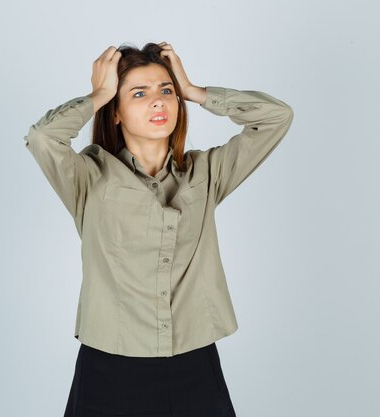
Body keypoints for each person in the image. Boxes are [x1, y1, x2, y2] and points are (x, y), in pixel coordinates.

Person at [23, 42, 294, 417]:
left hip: (194, 362)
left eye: (166, 90)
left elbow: (276, 117)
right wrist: (98, 95)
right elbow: (42, 138)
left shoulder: (206, 173)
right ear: (115, 113)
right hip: (110, 367)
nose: (158, 101)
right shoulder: (88, 178)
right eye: (139, 93)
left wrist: (194, 91)